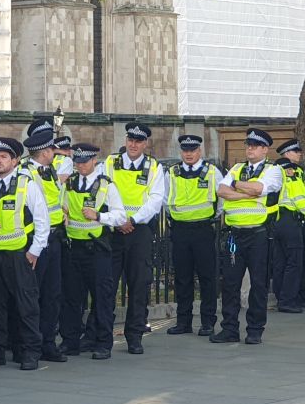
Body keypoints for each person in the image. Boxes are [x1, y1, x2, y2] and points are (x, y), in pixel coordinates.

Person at [0, 137, 50, 370]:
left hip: (18, 254)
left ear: (15, 161)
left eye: (3, 157)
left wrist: (34, 252)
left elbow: (42, 220)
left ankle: (29, 351)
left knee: (26, 306)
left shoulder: (26, 184)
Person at [212, 128, 282, 345]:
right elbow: (221, 191)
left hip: (258, 234)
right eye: (248, 145)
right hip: (235, 234)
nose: (249, 149)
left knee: (258, 283)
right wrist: (246, 192)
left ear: (265, 149)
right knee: (230, 283)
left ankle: (255, 329)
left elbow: (260, 188)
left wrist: (235, 186)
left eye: (254, 146)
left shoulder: (274, 170)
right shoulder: (236, 167)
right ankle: (230, 328)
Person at [102, 122, 166, 354]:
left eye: (138, 141)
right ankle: (103, 336)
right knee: (107, 284)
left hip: (138, 231)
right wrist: (118, 220)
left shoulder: (154, 167)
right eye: (130, 140)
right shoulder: (110, 163)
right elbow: (102, 191)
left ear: (145, 144)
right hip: (114, 230)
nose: (133, 144)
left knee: (139, 284)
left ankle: (134, 335)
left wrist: (132, 220)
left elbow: (155, 199)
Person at [59, 144, 127, 360]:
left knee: (102, 297)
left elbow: (120, 216)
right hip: (74, 248)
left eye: (84, 162)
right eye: (77, 162)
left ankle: (103, 343)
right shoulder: (69, 183)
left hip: (97, 248)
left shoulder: (106, 185)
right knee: (71, 298)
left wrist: (99, 216)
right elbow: (62, 206)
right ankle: (70, 341)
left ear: (94, 161)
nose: (80, 166)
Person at [165, 135, 223, 335]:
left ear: (200, 151)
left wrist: (212, 217)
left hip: (203, 230)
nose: (188, 154)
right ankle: (183, 322)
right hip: (180, 230)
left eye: (193, 150)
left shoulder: (212, 172)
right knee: (182, 278)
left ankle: (208, 322)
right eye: (185, 150)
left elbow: (222, 199)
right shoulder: (172, 172)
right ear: (181, 152)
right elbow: (165, 199)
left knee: (207, 278)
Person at [22, 130, 68, 362]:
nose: (55, 154)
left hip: (55, 239)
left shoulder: (48, 170)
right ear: (44, 152)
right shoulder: (26, 173)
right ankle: (30, 344)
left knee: (52, 294)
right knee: (33, 295)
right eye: (52, 150)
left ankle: (48, 342)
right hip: (36, 241)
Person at [276, 139, 305, 308]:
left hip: (279, 220)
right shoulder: (289, 173)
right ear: (287, 154)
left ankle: (291, 296)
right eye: (296, 151)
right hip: (292, 219)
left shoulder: (278, 171)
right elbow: (300, 197)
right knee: (295, 261)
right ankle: (289, 300)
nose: (300, 154)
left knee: (283, 262)